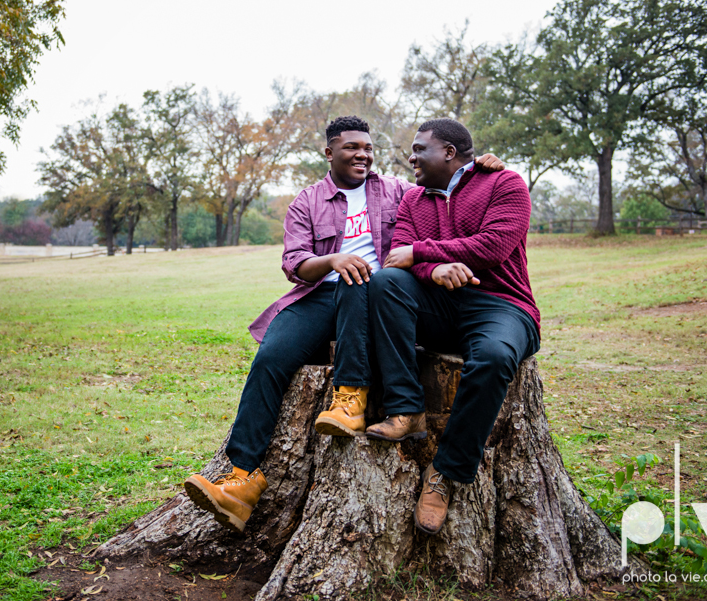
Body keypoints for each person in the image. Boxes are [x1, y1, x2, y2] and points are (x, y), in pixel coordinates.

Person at [183, 116, 503, 533]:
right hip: (320, 296)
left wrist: (478, 167)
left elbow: (447, 185)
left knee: (361, 279)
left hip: (381, 297)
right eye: (352, 147)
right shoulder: (308, 201)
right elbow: (294, 262)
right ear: (329, 152)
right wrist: (333, 260)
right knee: (270, 359)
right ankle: (241, 478)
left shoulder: (396, 190)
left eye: (368, 148)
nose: (362, 154)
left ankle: (349, 398)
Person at [365, 118, 541, 535]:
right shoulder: (413, 200)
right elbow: (396, 258)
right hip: (440, 306)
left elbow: (493, 245)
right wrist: (436, 269)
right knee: (386, 283)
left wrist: (422, 254)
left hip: (502, 304)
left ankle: (446, 473)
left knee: (496, 357)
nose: (411, 157)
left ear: (447, 151)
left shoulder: (505, 183)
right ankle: (406, 408)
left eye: (418, 148)